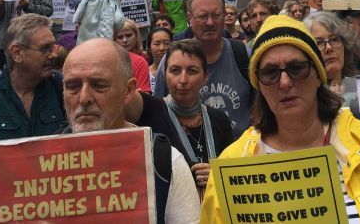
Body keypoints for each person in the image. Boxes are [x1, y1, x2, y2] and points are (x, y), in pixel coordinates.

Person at [200, 15, 360, 223]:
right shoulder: (234, 163)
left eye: (297, 68)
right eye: (270, 72)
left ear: (317, 75)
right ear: (258, 84)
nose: (284, 82)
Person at [61, 38, 200, 223]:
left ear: (128, 90)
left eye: (99, 85)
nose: (84, 98)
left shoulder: (165, 162)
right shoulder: (40, 165)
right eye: (73, 86)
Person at [127, 39, 233, 196]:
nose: (183, 80)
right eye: (175, 70)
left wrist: (218, 175)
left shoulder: (219, 120)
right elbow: (121, 91)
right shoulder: (150, 110)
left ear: (205, 77)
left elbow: (233, 177)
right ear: (165, 74)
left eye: (192, 71)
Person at [154, 0, 252, 138]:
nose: (210, 22)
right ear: (190, 18)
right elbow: (158, 111)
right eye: (203, 16)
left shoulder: (243, 54)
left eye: (216, 15)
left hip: (239, 156)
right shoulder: (172, 60)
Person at [0, 14, 65, 139]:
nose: (54, 55)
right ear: (17, 53)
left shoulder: (59, 87)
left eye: (54, 47)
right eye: (45, 48)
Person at [304, 11, 360, 123]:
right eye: (319, 43)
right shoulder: (302, 96)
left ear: (344, 45)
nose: (329, 47)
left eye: (334, 39)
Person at [114, 19, 153, 94]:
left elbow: (144, 95)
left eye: (128, 35)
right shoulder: (109, 59)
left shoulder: (140, 61)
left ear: (136, 37)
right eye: (120, 37)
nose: (125, 40)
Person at [147, 26, 172, 92]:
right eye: (157, 44)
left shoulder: (180, 72)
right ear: (149, 48)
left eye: (166, 43)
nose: (162, 48)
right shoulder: (145, 73)